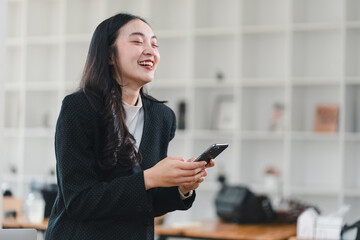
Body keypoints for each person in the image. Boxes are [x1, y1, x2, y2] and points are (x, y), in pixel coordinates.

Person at [45, 13, 215, 240]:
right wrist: (150, 178)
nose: (150, 51)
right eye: (137, 41)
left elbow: (146, 203)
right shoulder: (79, 108)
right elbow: (79, 201)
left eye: (154, 44)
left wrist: (182, 188)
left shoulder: (162, 118)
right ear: (109, 56)